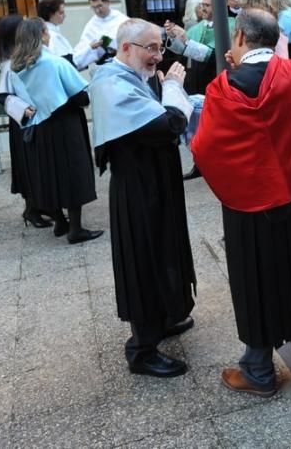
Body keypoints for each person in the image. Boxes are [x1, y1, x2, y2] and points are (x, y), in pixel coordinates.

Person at [190, 9, 291, 397]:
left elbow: (204, 147)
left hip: (248, 205)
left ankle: (258, 369)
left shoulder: (223, 87)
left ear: (239, 36)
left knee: (256, 279)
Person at [89, 19, 197, 378]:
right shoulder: (110, 83)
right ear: (125, 48)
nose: (157, 56)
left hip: (155, 183)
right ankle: (142, 349)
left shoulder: (133, 76)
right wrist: (175, 90)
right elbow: (167, 124)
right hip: (138, 190)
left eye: (160, 48)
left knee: (164, 250)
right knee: (144, 260)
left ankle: (163, 317)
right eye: (150, 48)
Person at [9, 18, 102, 244]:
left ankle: (60, 221)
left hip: (37, 127)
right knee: (72, 172)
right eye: (47, 32)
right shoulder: (56, 63)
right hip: (65, 126)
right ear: (42, 35)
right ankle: (76, 229)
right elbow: (81, 96)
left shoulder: (16, 67)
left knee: (48, 174)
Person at [0, 15, 51, 229]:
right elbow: (3, 96)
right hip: (23, 124)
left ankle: (41, 205)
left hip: (37, 119)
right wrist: (23, 110)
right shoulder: (10, 63)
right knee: (28, 166)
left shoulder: (29, 57)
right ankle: (31, 209)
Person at [73, 0, 129, 70]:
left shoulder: (121, 20)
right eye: (93, 7)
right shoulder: (91, 25)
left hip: (122, 65)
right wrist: (91, 47)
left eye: (99, 6)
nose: (97, 11)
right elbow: (83, 47)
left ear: (107, 2)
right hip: (102, 67)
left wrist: (113, 45)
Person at [37, 0, 75, 64]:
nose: (64, 15)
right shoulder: (52, 36)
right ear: (50, 14)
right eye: (61, 13)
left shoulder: (52, 32)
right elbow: (67, 63)